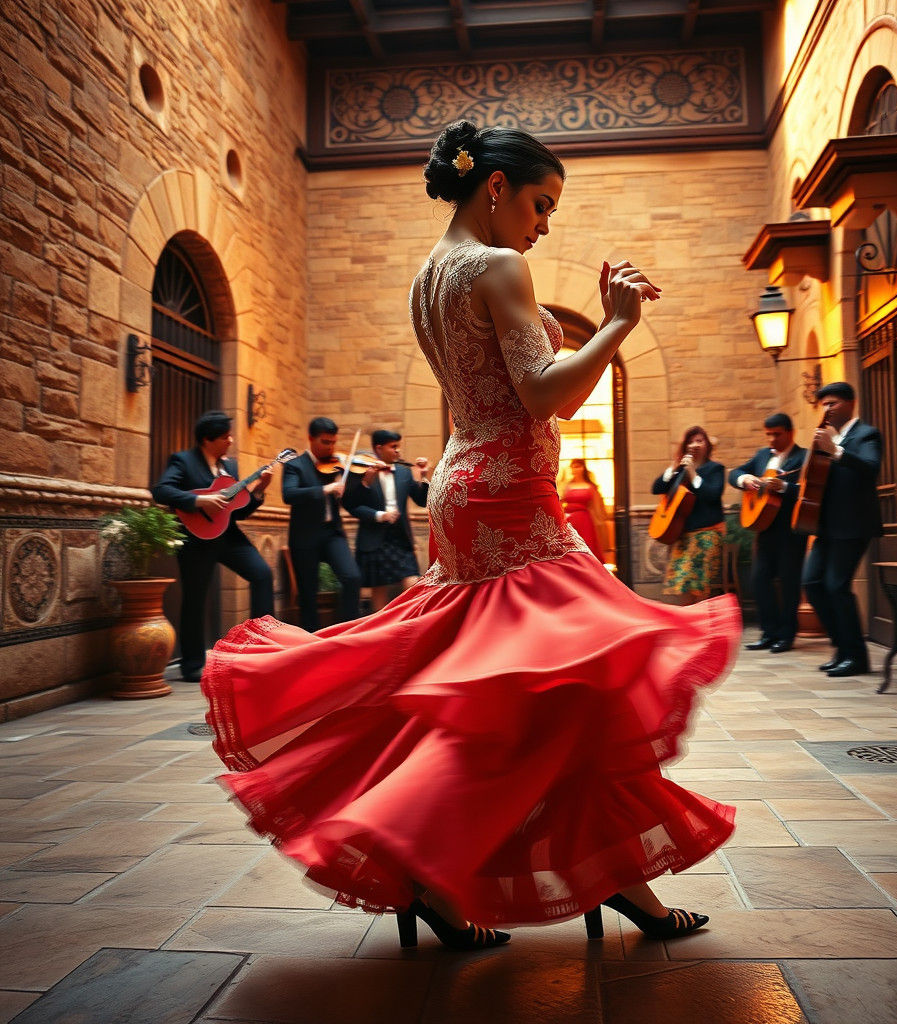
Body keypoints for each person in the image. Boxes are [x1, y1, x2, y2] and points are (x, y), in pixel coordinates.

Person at [199, 120, 740, 952]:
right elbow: (545, 394)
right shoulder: (496, 265)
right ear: (495, 186)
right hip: (509, 497)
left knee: (511, 689)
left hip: (464, 487)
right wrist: (616, 323)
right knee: (569, 683)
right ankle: (475, 855)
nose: (544, 225)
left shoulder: (431, 273)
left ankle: (474, 874)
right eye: (540, 204)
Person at [152, 410, 274, 682]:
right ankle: (192, 664)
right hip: (196, 539)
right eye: (225, 437)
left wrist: (259, 490)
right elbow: (161, 490)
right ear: (207, 439)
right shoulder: (183, 461)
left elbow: (238, 511)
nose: (230, 441)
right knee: (195, 598)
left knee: (263, 575)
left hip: (229, 537)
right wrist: (199, 501)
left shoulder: (230, 468)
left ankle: (263, 648)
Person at [800, 381, 883, 678]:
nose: (827, 409)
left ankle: (856, 657)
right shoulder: (827, 437)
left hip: (853, 524)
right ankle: (842, 648)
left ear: (851, 403)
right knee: (812, 583)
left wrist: (834, 450)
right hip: (825, 527)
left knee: (837, 586)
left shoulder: (867, 434)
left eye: (832, 403)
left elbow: (871, 467)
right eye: (823, 404)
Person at [729, 412, 808, 653]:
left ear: (790, 433)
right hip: (764, 530)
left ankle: (786, 636)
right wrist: (745, 479)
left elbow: (810, 492)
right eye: (768, 434)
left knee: (789, 583)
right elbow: (733, 474)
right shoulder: (762, 455)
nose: (772, 439)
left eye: (777, 434)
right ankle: (768, 633)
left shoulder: (804, 457)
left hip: (791, 531)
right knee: (759, 580)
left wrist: (784, 487)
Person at [281, 417, 363, 630]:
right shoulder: (295, 465)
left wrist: (362, 481)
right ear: (311, 438)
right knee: (308, 593)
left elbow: (350, 500)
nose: (330, 447)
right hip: (305, 536)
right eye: (325, 442)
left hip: (332, 533)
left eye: (333, 442)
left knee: (352, 577)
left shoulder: (336, 465)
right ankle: (313, 639)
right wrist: (325, 489)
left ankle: (348, 631)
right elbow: (289, 494)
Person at [343, 428, 431, 612]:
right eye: (393, 446)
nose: (398, 450)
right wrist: (377, 510)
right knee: (379, 592)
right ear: (379, 448)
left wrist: (423, 476)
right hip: (374, 538)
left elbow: (422, 500)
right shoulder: (361, 471)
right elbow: (351, 504)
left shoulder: (405, 472)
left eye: (398, 446)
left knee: (413, 584)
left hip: (400, 538)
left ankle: (413, 623)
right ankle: (381, 627)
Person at [653, 426, 726, 606]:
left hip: (707, 532)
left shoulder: (715, 469)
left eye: (699, 441)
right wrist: (673, 467)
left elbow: (712, 495)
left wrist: (693, 474)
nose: (694, 445)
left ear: (707, 445)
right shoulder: (680, 470)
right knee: (681, 584)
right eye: (690, 441)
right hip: (684, 535)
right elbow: (657, 488)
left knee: (698, 584)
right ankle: (690, 617)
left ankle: (701, 618)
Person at [559, 457, 612, 563]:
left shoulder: (590, 487)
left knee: (586, 544)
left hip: (584, 520)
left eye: (577, 467)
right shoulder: (566, 486)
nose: (575, 469)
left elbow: (598, 507)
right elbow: (559, 501)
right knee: (570, 546)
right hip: (568, 520)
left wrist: (601, 524)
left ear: (583, 468)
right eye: (573, 467)